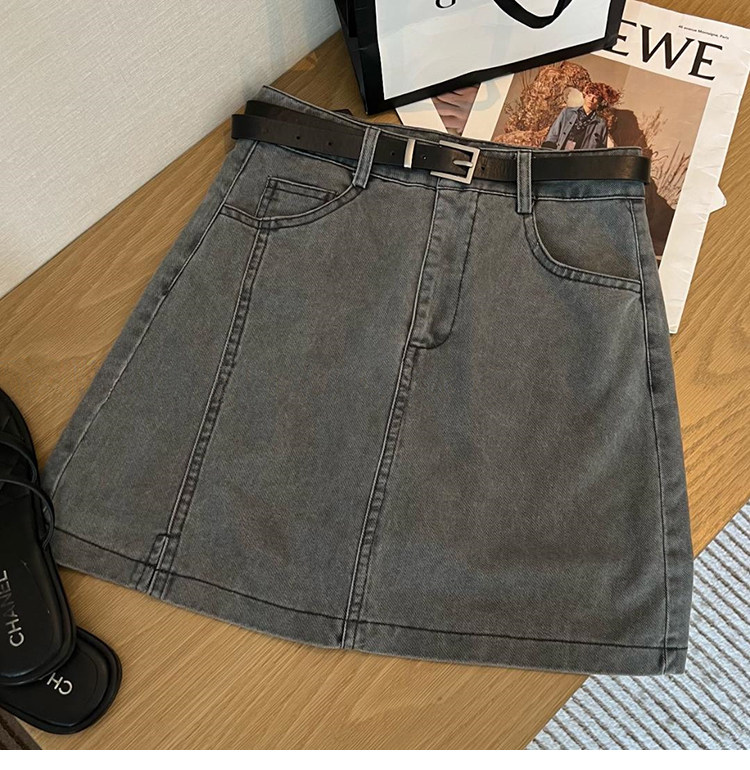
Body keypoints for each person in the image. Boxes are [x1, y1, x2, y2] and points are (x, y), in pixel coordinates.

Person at [542, 82, 612, 150]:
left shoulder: (600, 123)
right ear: (585, 96)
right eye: (589, 95)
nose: (591, 99)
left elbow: (601, 150)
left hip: (582, 156)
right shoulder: (567, 113)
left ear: (599, 101)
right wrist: (548, 153)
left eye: (595, 97)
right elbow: (553, 135)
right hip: (562, 153)